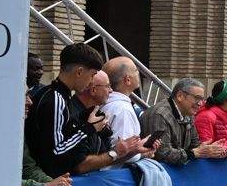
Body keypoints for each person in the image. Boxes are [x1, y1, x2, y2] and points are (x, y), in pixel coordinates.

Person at [27, 43, 146, 177]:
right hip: (51, 181)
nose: (91, 82)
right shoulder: (56, 98)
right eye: (92, 75)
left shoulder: (58, 95)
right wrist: (89, 129)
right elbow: (56, 151)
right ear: (79, 72)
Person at [140, 78, 227, 166]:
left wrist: (211, 149)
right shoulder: (159, 115)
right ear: (180, 96)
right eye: (197, 98)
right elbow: (161, 154)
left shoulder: (188, 113)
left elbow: (195, 145)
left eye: (202, 99)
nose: (200, 103)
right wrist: (194, 153)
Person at [21, 89, 73, 186]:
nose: (30, 101)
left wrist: (53, 183)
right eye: (24, 95)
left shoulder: (17, 130)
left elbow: (28, 167)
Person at [101, 57, 144, 144]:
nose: (138, 73)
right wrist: (141, 150)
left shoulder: (106, 102)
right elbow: (125, 149)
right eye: (135, 70)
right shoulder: (122, 110)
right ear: (128, 80)